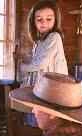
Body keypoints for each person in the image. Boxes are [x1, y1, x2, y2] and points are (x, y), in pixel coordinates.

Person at [15, 0, 69, 128]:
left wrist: (21, 67)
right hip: (43, 88)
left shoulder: (54, 37)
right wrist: (22, 56)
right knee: (38, 119)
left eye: (48, 19)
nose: (43, 22)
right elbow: (36, 60)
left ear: (55, 20)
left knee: (49, 122)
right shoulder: (38, 42)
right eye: (39, 19)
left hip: (54, 89)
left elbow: (39, 64)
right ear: (33, 22)